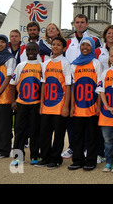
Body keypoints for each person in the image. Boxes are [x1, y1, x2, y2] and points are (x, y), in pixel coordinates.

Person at [63, 14, 102, 160]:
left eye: (82, 22)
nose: (79, 25)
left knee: (91, 125)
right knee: (74, 124)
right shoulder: (68, 42)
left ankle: (89, 151)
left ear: (87, 23)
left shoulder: (95, 40)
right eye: (77, 22)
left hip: (90, 85)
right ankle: (74, 148)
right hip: (76, 83)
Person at [68, 37, 103, 171]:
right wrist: (71, 106)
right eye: (83, 45)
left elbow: (100, 86)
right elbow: (72, 87)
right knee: (78, 135)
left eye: (88, 45)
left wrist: (99, 105)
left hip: (92, 105)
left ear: (92, 47)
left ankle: (91, 160)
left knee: (92, 135)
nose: (85, 47)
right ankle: (77, 160)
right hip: (78, 105)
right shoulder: (74, 64)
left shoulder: (96, 63)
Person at [36, 37, 71, 169]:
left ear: (64, 48)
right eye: (53, 44)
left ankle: (56, 159)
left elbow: (68, 86)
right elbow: (43, 85)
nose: (55, 47)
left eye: (58, 45)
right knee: (44, 133)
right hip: (47, 105)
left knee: (59, 134)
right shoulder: (45, 64)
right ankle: (45, 157)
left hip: (60, 104)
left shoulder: (65, 63)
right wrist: (41, 104)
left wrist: (66, 106)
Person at [10, 42, 43, 165]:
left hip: (36, 103)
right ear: (25, 51)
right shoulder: (20, 65)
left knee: (35, 131)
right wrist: (13, 101)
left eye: (34, 49)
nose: (31, 51)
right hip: (21, 104)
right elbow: (13, 84)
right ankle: (18, 157)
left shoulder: (42, 66)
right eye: (29, 49)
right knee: (19, 131)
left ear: (37, 51)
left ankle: (34, 156)